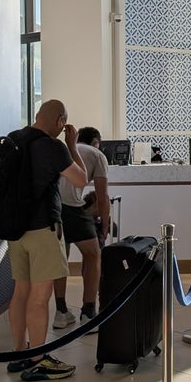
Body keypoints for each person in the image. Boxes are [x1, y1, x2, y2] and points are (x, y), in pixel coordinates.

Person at [5, 100, 86, 381]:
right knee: (40, 298)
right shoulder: (53, 146)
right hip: (42, 229)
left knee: (20, 293)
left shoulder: (14, 139)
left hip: (15, 230)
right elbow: (81, 179)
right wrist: (72, 144)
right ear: (60, 121)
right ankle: (38, 359)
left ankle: (19, 353)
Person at [53, 126, 111, 331]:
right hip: (73, 208)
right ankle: (88, 312)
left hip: (53, 207)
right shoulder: (97, 154)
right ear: (96, 142)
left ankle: (60, 312)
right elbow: (102, 197)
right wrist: (104, 226)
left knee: (61, 259)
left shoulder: (63, 148)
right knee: (94, 254)